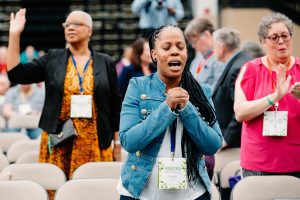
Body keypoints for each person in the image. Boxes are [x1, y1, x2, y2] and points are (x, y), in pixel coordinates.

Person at [7, 8, 122, 184]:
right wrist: (14, 35)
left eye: (77, 24)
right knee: (57, 187)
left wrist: (117, 145)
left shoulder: (105, 62)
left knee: (92, 189)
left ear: (89, 30)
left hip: (96, 141)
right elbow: (16, 74)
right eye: (67, 24)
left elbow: (115, 106)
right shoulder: (53, 58)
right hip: (59, 139)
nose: (70, 28)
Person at [118, 25, 222, 200]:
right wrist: (166, 109)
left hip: (192, 194)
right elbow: (129, 141)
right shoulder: (138, 86)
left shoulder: (201, 92)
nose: (175, 51)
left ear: (186, 54)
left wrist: (187, 109)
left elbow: (212, 145)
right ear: (154, 54)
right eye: (166, 47)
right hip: (140, 193)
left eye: (180, 47)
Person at [234, 13, 300, 178]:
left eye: (285, 36)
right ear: (263, 41)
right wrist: (274, 97)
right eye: (274, 37)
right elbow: (240, 113)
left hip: (296, 161)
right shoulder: (251, 70)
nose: (281, 41)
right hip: (258, 163)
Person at [212, 27, 252, 149]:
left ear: (221, 47)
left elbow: (241, 108)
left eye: (214, 46)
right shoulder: (239, 62)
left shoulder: (238, 67)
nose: (213, 50)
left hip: (235, 144)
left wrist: (227, 139)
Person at [184, 17, 225, 91]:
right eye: (191, 43)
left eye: (194, 41)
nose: (193, 46)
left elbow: (217, 90)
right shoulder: (199, 57)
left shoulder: (220, 57)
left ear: (207, 35)